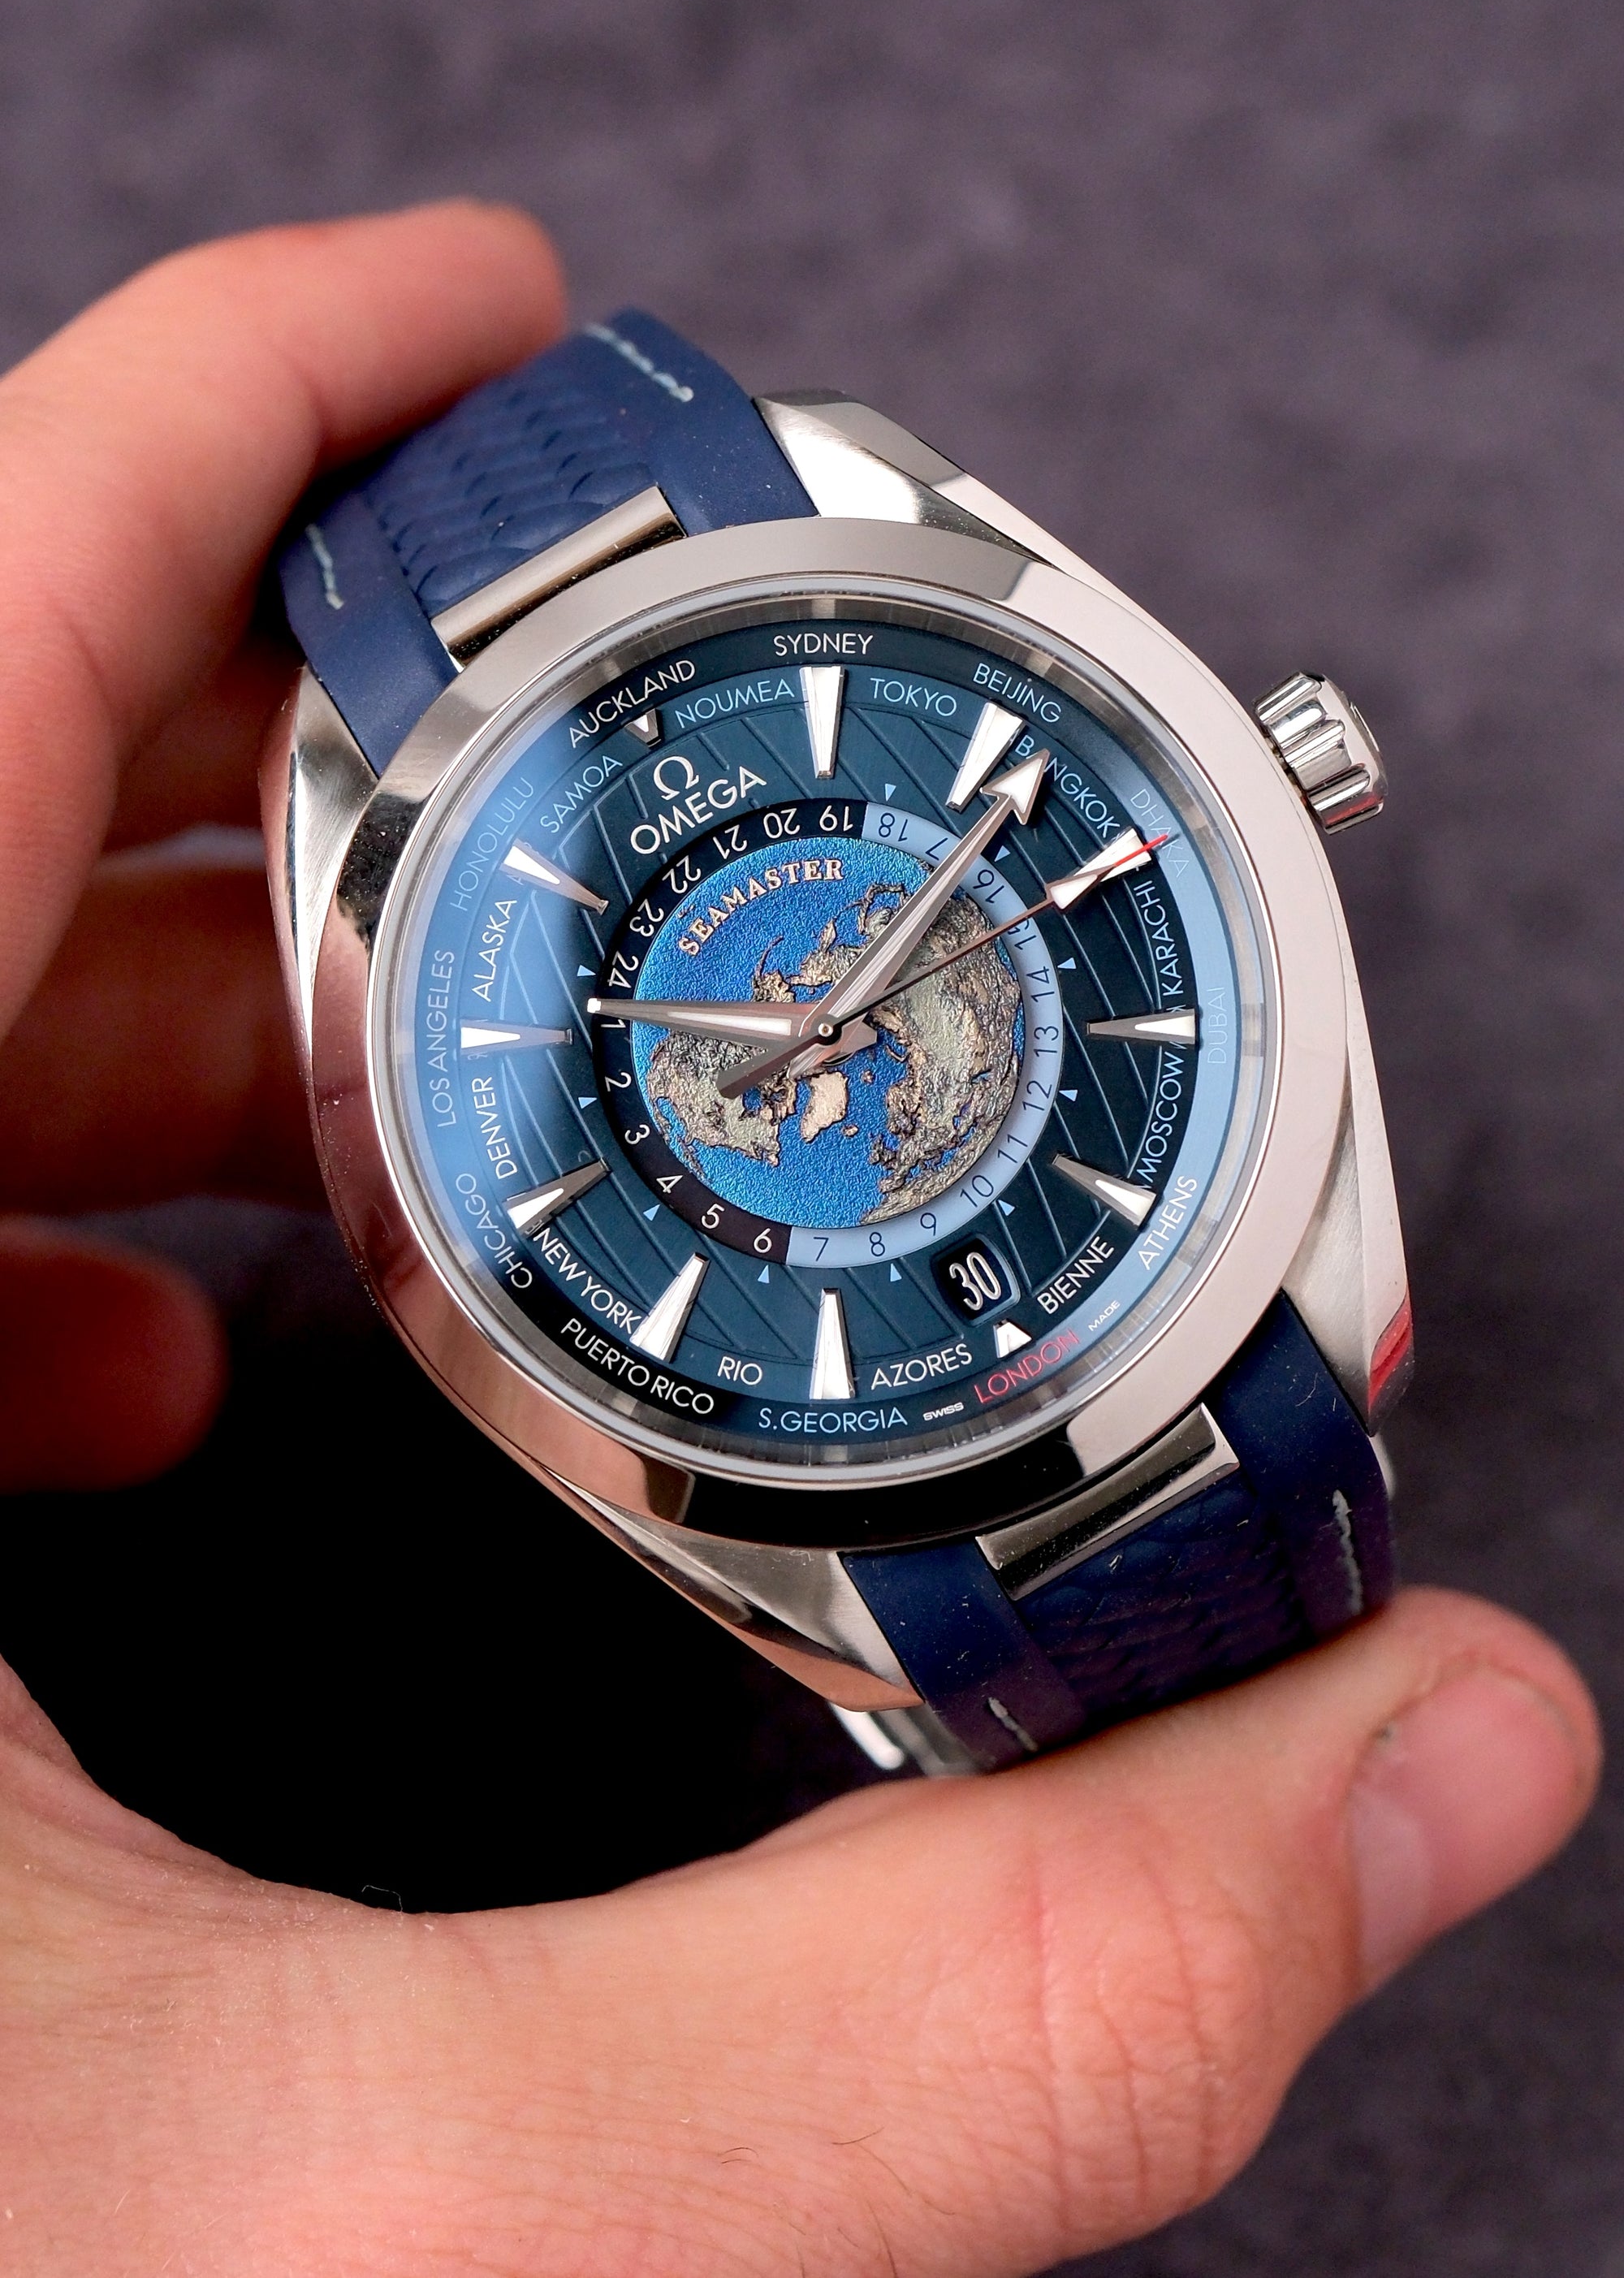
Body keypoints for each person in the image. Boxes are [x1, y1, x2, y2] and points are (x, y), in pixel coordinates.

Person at [0, 202, 1597, 2276]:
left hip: (1197, 1340)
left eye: (826, 1017)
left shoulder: (767, 565)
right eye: (785, 1031)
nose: (820, 1030)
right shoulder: (369, 833)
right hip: (907, 1514)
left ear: (1273, 773)